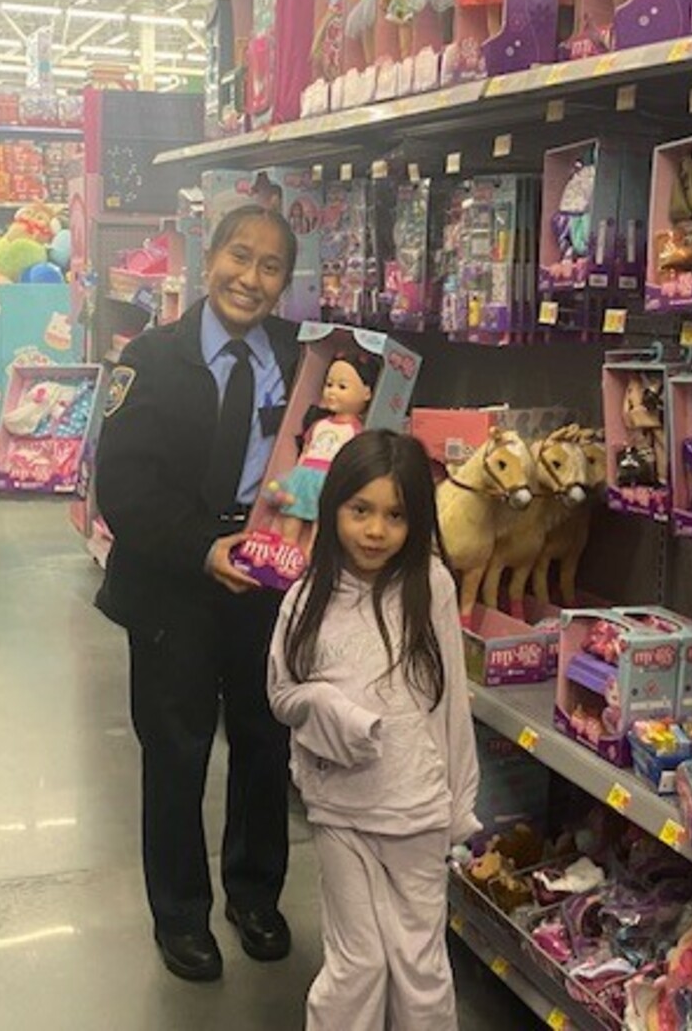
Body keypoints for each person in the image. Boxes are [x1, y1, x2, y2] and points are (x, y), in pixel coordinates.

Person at [94, 204, 302, 982]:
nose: (250, 278)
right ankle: (180, 913)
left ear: (286, 281)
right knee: (176, 750)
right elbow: (123, 486)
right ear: (208, 258)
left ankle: (255, 894)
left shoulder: (300, 355)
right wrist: (200, 547)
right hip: (172, 584)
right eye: (238, 257)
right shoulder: (151, 357)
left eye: (270, 265)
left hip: (268, 578)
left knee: (264, 739)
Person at [268, 429, 481, 1031]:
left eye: (395, 515)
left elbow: (451, 705)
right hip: (340, 811)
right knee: (357, 962)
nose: (374, 531)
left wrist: (458, 803)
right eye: (360, 510)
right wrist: (334, 714)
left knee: (419, 962)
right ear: (333, 503)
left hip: (417, 810)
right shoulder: (307, 597)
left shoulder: (431, 585)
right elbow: (282, 693)